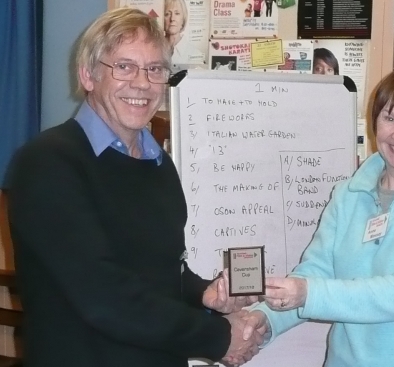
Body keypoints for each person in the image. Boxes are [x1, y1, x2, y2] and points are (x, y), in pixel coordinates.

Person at [5, 8, 264, 367]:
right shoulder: (48, 163)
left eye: (155, 69)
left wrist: (204, 293)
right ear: (88, 76)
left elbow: (161, 269)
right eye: (124, 67)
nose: (142, 83)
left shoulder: (158, 163)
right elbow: (104, 297)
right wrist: (219, 337)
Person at [243, 67, 394, 367]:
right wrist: (265, 318)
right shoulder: (347, 194)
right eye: (389, 118)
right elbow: (316, 272)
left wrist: (308, 293)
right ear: (374, 123)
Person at [164, 0, 203, 70]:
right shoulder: (152, 49)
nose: (172, 19)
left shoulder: (195, 54)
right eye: (167, 14)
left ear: (183, 19)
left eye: (177, 13)